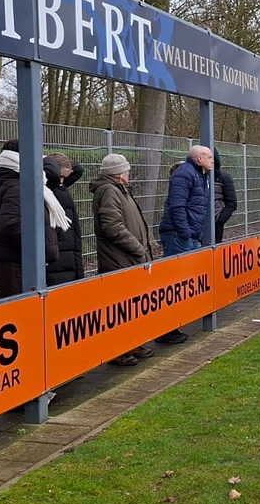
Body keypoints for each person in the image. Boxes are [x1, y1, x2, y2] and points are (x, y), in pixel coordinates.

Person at [90, 153, 156, 366]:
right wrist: (138, 248)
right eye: (127, 170)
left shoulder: (119, 190)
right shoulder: (109, 190)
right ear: (119, 174)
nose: (129, 173)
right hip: (119, 259)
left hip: (128, 257)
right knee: (119, 307)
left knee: (131, 305)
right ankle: (117, 349)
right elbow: (112, 226)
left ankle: (132, 343)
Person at [0, 140, 63, 297]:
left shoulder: (18, 183)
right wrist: (41, 243)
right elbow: (11, 226)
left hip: (17, 263)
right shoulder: (17, 186)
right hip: (16, 264)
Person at [156, 145, 214, 343]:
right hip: (178, 236)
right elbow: (177, 206)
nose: (212, 159)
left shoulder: (200, 175)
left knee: (183, 281)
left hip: (187, 235)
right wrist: (186, 232)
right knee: (173, 282)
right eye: (209, 156)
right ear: (199, 159)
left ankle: (173, 326)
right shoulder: (185, 175)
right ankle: (166, 329)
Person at [44, 153, 84, 287]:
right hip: (59, 258)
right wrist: (48, 162)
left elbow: (78, 170)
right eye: (60, 176)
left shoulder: (60, 187)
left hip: (68, 254)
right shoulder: (47, 190)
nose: (62, 181)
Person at [213, 149, 239, 243]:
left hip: (216, 222)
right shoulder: (197, 176)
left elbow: (232, 202)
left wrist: (220, 220)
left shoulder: (223, 177)